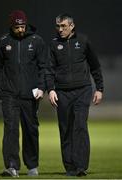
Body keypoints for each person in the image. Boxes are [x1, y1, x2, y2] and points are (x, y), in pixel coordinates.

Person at [46, 13, 104, 176]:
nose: (60, 29)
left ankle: (80, 167)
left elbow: (95, 66)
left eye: (63, 26)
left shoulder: (84, 41)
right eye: (58, 26)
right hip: (62, 93)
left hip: (82, 91)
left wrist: (99, 88)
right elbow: (48, 70)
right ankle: (70, 167)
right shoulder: (53, 44)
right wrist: (50, 89)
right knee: (65, 129)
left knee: (79, 126)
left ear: (72, 26)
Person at [0, 10, 46, 177]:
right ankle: (12, 166)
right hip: (9, 95)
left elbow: (44, 66)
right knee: (11, 130)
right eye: (17, 27)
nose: (21, 30)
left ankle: (32, 166)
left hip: (30, 95)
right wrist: (0, 87)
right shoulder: (3, 42)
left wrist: (41, 87)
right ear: (11, 26)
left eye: (22, 26)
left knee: (30, 130)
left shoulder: (37, 41)